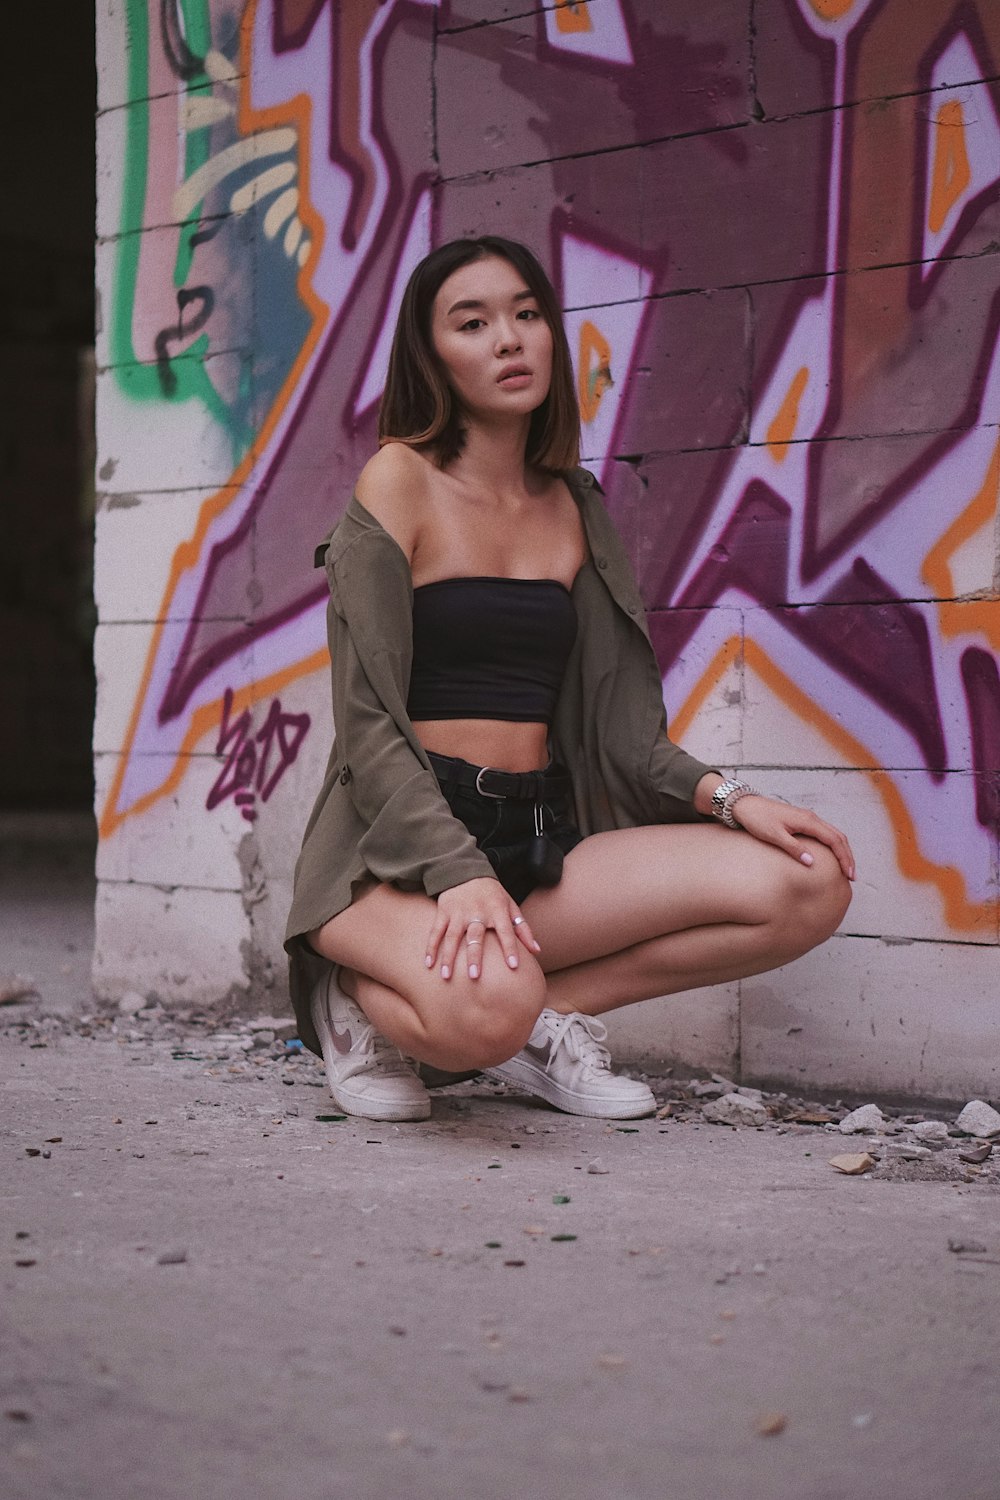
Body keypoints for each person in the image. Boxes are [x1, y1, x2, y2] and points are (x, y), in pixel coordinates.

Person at [284, 235, 854, 1124]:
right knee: (484, 1006)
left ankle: (542, 1020)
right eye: (472, 323)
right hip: (390, 855)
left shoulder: (572, 507)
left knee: (809, 880)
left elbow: (625, 735)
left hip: (535, 840)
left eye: (525, 314)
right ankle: (355, 996)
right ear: (433, 356)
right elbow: (368, 725)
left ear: (551, 334)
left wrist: (731, 799)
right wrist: (455, 871)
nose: (509, 339)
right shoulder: (400, 480)